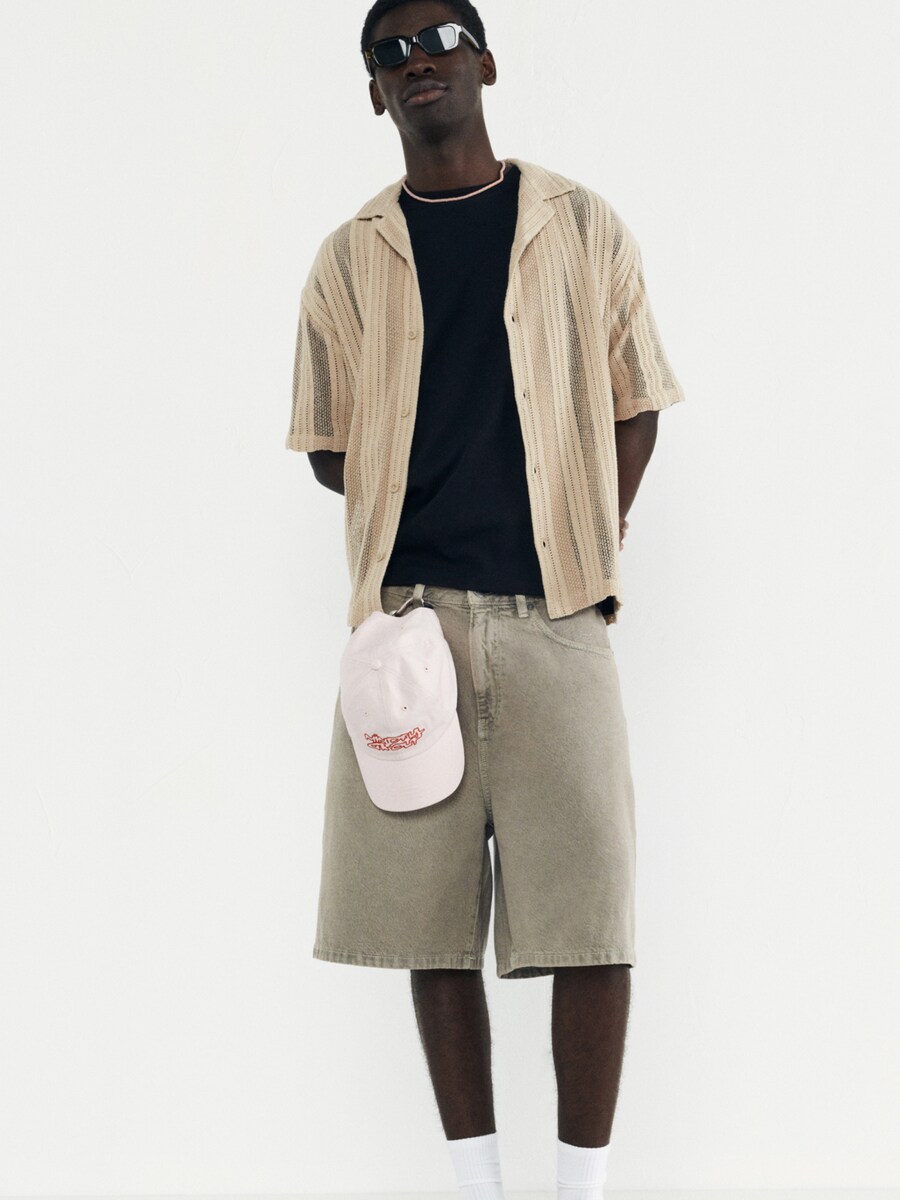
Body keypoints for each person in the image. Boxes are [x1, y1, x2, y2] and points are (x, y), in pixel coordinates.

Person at [286, 2, 686, 1196]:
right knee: (428, 919)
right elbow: (326, 445)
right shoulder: (350, 258)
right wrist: (411, 492)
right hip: (412, 626)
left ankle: (580, 1190)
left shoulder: (579, 225)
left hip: (562, 621)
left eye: (439, 41)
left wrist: (590, 524)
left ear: (486, 62)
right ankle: (480, 1186)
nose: (418, 63)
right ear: (375, 91)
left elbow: (637, 400)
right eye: (390, 54)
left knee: (593, 919)